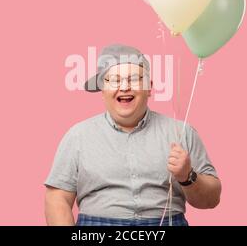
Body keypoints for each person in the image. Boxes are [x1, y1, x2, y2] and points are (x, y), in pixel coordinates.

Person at [45, 44, 221, 226]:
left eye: (135, 79)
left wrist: (188, 176)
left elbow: (212, 199)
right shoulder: (77, 136)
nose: (124, 87)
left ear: (149, 88)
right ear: (102, 89)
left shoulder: (182, 133)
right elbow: (57, 199)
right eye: (114, 80)